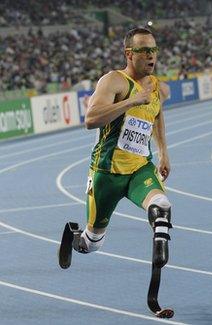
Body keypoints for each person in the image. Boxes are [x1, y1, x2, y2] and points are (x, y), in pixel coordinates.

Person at [58, 27, 174, 318]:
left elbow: (157, 115)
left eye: (154, 50)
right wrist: (133, 100)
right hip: (106, 173)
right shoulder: (113, 81)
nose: (151, 56)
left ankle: (154, 297)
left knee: (162, 207)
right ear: (129, 54)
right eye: (144, 50)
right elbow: (91, 119)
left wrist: (163, 152)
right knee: (92, 244)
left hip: (139, 169)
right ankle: (75, 236)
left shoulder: (155, 84)